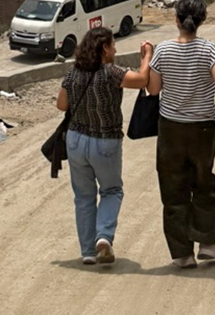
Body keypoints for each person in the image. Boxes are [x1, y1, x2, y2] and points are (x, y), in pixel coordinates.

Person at [146, 0, 215, 268]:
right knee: (204, 182)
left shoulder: (162, 51)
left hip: (171, 128)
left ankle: (182, 253)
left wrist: (147, 58)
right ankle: (207, 243)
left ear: (176, 20)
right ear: (202, 21)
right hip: (204, 128)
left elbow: (153, 90)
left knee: (173, 188)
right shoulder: (209, 49)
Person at [57, 27, 153, 266]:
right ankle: (104, 236)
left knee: (83, 196)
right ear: (104, 49)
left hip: (76, 140)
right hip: (105, 140)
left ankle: (88, 251)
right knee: (111, 191)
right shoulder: (111, 72)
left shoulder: (72, 73)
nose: (115, 49)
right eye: (112, 45)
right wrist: (146, 57)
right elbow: (142, 80)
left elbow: (61, 105)